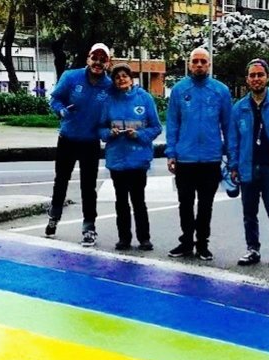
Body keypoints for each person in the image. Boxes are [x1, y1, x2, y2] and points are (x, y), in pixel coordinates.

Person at [165, 47, 232, 261]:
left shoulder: (221, 91)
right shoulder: (179, 90)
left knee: (205, 204)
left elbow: (228, 125)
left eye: (204, 61)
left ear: (209, 64)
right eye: (196, 61)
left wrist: (231, 157)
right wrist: (171, 153)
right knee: (185, 203)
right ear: (189, 64)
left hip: (211, 159)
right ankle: (186, 242)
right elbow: (173, 124)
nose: (200, 65)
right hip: (185, 158)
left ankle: (203, 244)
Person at [47, 43, 113, 246]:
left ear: (108, 63)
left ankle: (89, 227)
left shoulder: (109, 86)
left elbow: (114, 112)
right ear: (88, 58)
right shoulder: (70, 77)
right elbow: (55, 99)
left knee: (88, 186)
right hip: (67, 139)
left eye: (103, 59)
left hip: (90, 142)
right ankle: (54, 217)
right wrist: (61, 111)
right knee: (61, 181)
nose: (98, 63)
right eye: (95, 58)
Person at [228, 58, 269, 268]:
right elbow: (233, 140)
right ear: (247, 80)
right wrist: (234, 166)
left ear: (268, 77)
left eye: (260, 75)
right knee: (249, 213)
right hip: (247, 167)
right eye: (252, 75)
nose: (256, 79)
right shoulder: (239, 108)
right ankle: (252, 249)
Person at [98, 63, 161, 252]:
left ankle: (144, 239)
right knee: (121, 202)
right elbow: (100, 129)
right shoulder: (108, 101)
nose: (121, 79)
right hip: (117, 160)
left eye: (125, 76)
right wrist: (110, 132)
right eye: (117, 77)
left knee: (138, 201)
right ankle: (124, 238)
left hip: (138, 159)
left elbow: (156, 127)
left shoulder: (144, 98)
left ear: (131, 78)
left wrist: (140, 135)